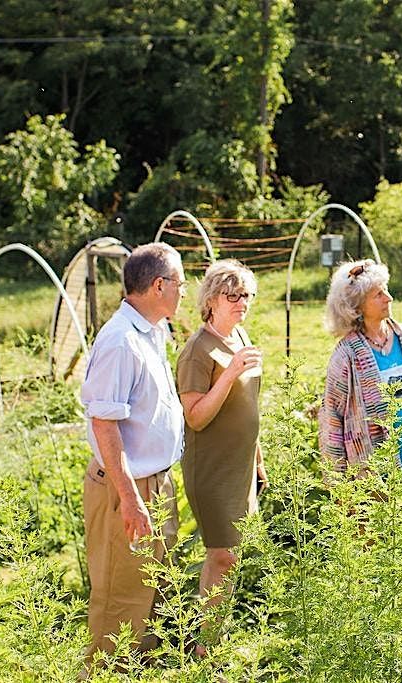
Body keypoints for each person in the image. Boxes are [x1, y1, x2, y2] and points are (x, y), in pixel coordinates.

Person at [80, 243, 185, 663]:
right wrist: (129, 498)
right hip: (127, 487)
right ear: (159, 285)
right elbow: (105, 424)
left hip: (155, 482)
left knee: (154, 598)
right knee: (120, 605)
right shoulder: (121, 341)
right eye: (179, 282)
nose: (183, 290)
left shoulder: (152, 331)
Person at [176, 260, 266, 651]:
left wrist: (258, 458)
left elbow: (248, 405)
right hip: (212, 470)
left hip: (241, 466)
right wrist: (229, 372)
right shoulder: (198, 350)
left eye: (246, 294)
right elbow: (195, 417)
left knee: (232, 555)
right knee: (222, 556)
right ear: (211, 300)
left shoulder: (239, 336)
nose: (241, 302)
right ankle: (208, 648)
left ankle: (214, 638)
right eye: (233, 295)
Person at [319, 259, 402, 497]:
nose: (388, 298)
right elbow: (332, 415)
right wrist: (337, 479)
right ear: (357, 306)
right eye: (378, 294)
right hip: (373, 471)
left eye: (387, 290)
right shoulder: (346, 354)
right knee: (375, 534)